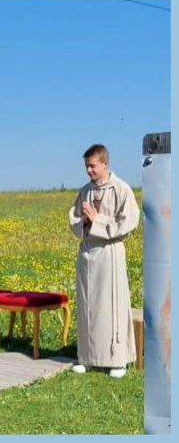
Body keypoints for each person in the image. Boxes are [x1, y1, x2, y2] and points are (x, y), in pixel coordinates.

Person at [69, 144, 140, 379]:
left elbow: (129, 221)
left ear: (105, 163)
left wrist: (96, 219)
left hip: (109, 251)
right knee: (87, 305)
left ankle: (116, 360)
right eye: (86, 166)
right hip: (88, 252)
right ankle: (87, 357)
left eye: (92, 166)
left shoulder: (121, 189)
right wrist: (85, 222)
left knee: (111, 306)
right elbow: (75, 220)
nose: (88, 170)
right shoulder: (84, 191)